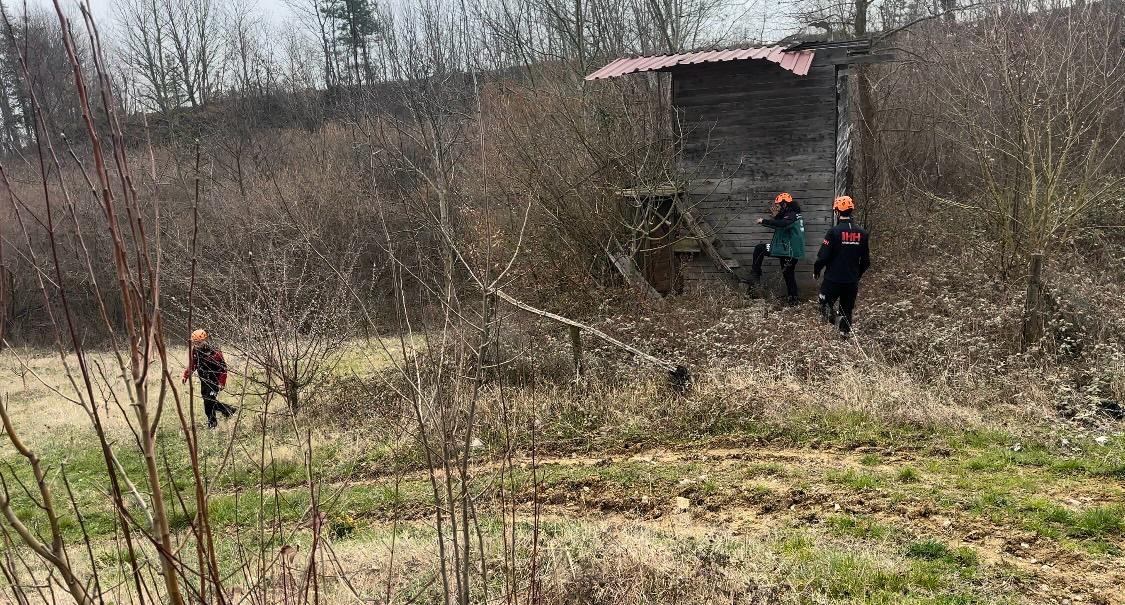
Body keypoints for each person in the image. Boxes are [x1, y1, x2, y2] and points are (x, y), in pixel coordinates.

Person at [813, 196, 870, 337]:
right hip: (851, 281)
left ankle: (827, 336)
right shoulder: (862, 233)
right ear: (851, 211)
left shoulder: (833, 232)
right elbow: (866, 261)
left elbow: (823, 257)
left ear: (837, 212)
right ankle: (844, 336)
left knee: (824, 304)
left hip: (833, 280)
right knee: (846, 310)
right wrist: (857, 275)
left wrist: (816, 271)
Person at [751, 192, 806, 305]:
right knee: (788, 274)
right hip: (786, 250)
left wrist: (764, 221)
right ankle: (793, 298)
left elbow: (782, 224)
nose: (777, 207)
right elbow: (780, 223)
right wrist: (776, 217)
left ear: (785, 205)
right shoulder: (793, 214)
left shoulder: (791, 215)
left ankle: (755, 274)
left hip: (788, 250)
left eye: (779, 205)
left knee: (760, 248)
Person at [182, 329, 235, 428]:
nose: (197, 345)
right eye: (195, 343)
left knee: (208, 402)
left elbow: (223, 369)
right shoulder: (196, 351)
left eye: (199, 342)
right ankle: (228, 410)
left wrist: (221, 383)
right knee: (208, 401)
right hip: (204, 381)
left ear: (205, 339)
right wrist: (186, 375)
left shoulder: (215, 351)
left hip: (214, 381)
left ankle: (212, 423)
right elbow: (193, 364)